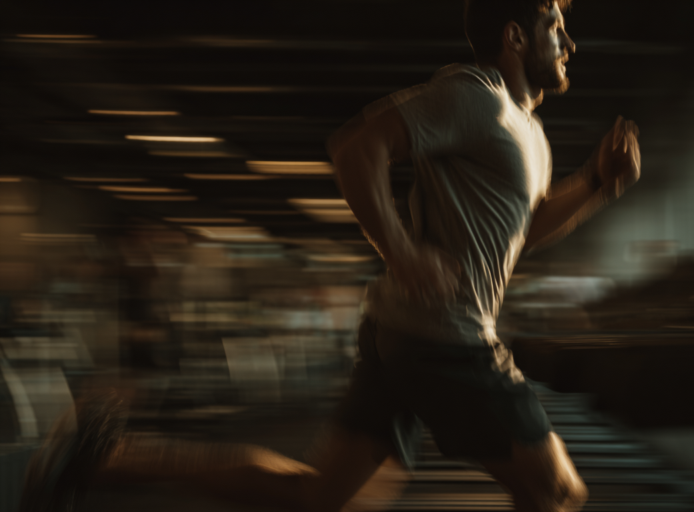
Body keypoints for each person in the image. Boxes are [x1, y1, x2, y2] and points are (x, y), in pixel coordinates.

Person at [20, 1, 639, 511]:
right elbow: (356, 149)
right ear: (514, 37)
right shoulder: (476, 96)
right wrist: (401, 252)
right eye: (556, 25)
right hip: (444, 339)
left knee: (322, 496)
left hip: (404, 335)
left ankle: (101, 458)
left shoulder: (530, 135)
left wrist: (595, 183)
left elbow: (521, 231)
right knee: (556, 492)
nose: (569, 42)